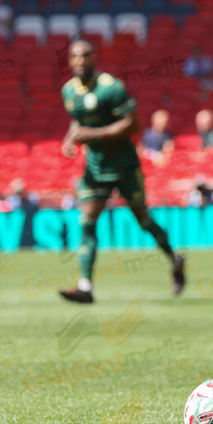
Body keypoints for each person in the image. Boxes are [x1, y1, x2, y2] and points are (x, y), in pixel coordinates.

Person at [58, 39, 186, 303]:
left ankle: (175, 260)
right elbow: (77, 121)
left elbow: (133, 124)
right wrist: (70, 139)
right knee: (87, 221)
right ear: (69, 61)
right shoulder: (69, 91)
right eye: (75, 56)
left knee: (144, 221)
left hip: (125, 164)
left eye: (85, 56)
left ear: (94, 58)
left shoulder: (111, 88)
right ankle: (85, 286)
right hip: (96, 165)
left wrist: (90, 133)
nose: (80, 61)